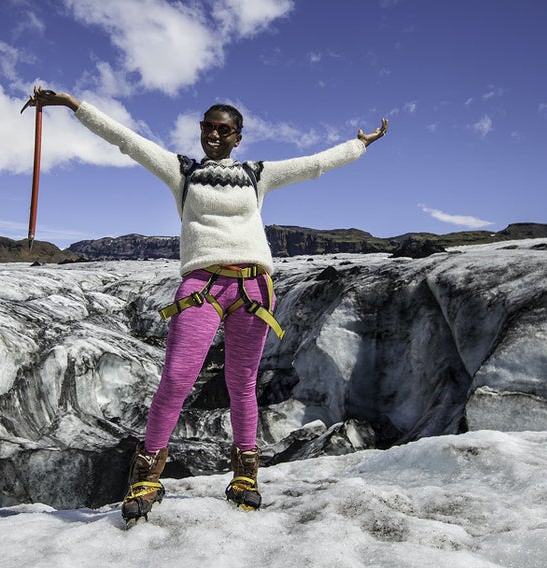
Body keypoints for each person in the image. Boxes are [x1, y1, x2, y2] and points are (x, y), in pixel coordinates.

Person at [26, 86, 388, 522]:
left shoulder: (258, 174)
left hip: (253, 289)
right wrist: (71, 104)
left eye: (223, 129)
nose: (213, 134)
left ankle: (245, 475)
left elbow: (313, 165)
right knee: (177, 378)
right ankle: (147, 475)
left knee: (241, 382)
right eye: (207, 127)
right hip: (201, 285)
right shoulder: (183, 172)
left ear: (238, 136)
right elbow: (126, 139)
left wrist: (359, 145)